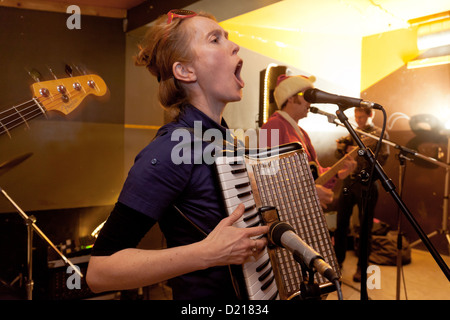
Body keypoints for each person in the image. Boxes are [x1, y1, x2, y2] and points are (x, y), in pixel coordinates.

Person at [86, 9, 269, 300]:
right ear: (185, 71)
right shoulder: (170, 149)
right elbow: (99, 272)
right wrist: (207, 253)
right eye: (215, 39)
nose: (233, 45)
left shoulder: (224, 138)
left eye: (228, 37)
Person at [259, 74, 356, 209]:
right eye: (306, 96)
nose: (310, 102)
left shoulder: (302, 132)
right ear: (290, 98)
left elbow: (315, 175)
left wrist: (338, 173)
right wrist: (307, 192)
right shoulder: (271, 126)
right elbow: (267, 175)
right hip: (286, 210)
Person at [334, 106, 390, 282]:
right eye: (356, 117)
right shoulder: (352, 131)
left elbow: (383, 159)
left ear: (370, 115)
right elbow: (341, 159)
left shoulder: (379, 134)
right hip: (349, 182)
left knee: (365, 227)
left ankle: (362, 268)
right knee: (341, 224)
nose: (358, 120)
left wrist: (363, 165)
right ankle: (337, 264)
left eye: (362, 117)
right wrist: (341, 148)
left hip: (367, 184)